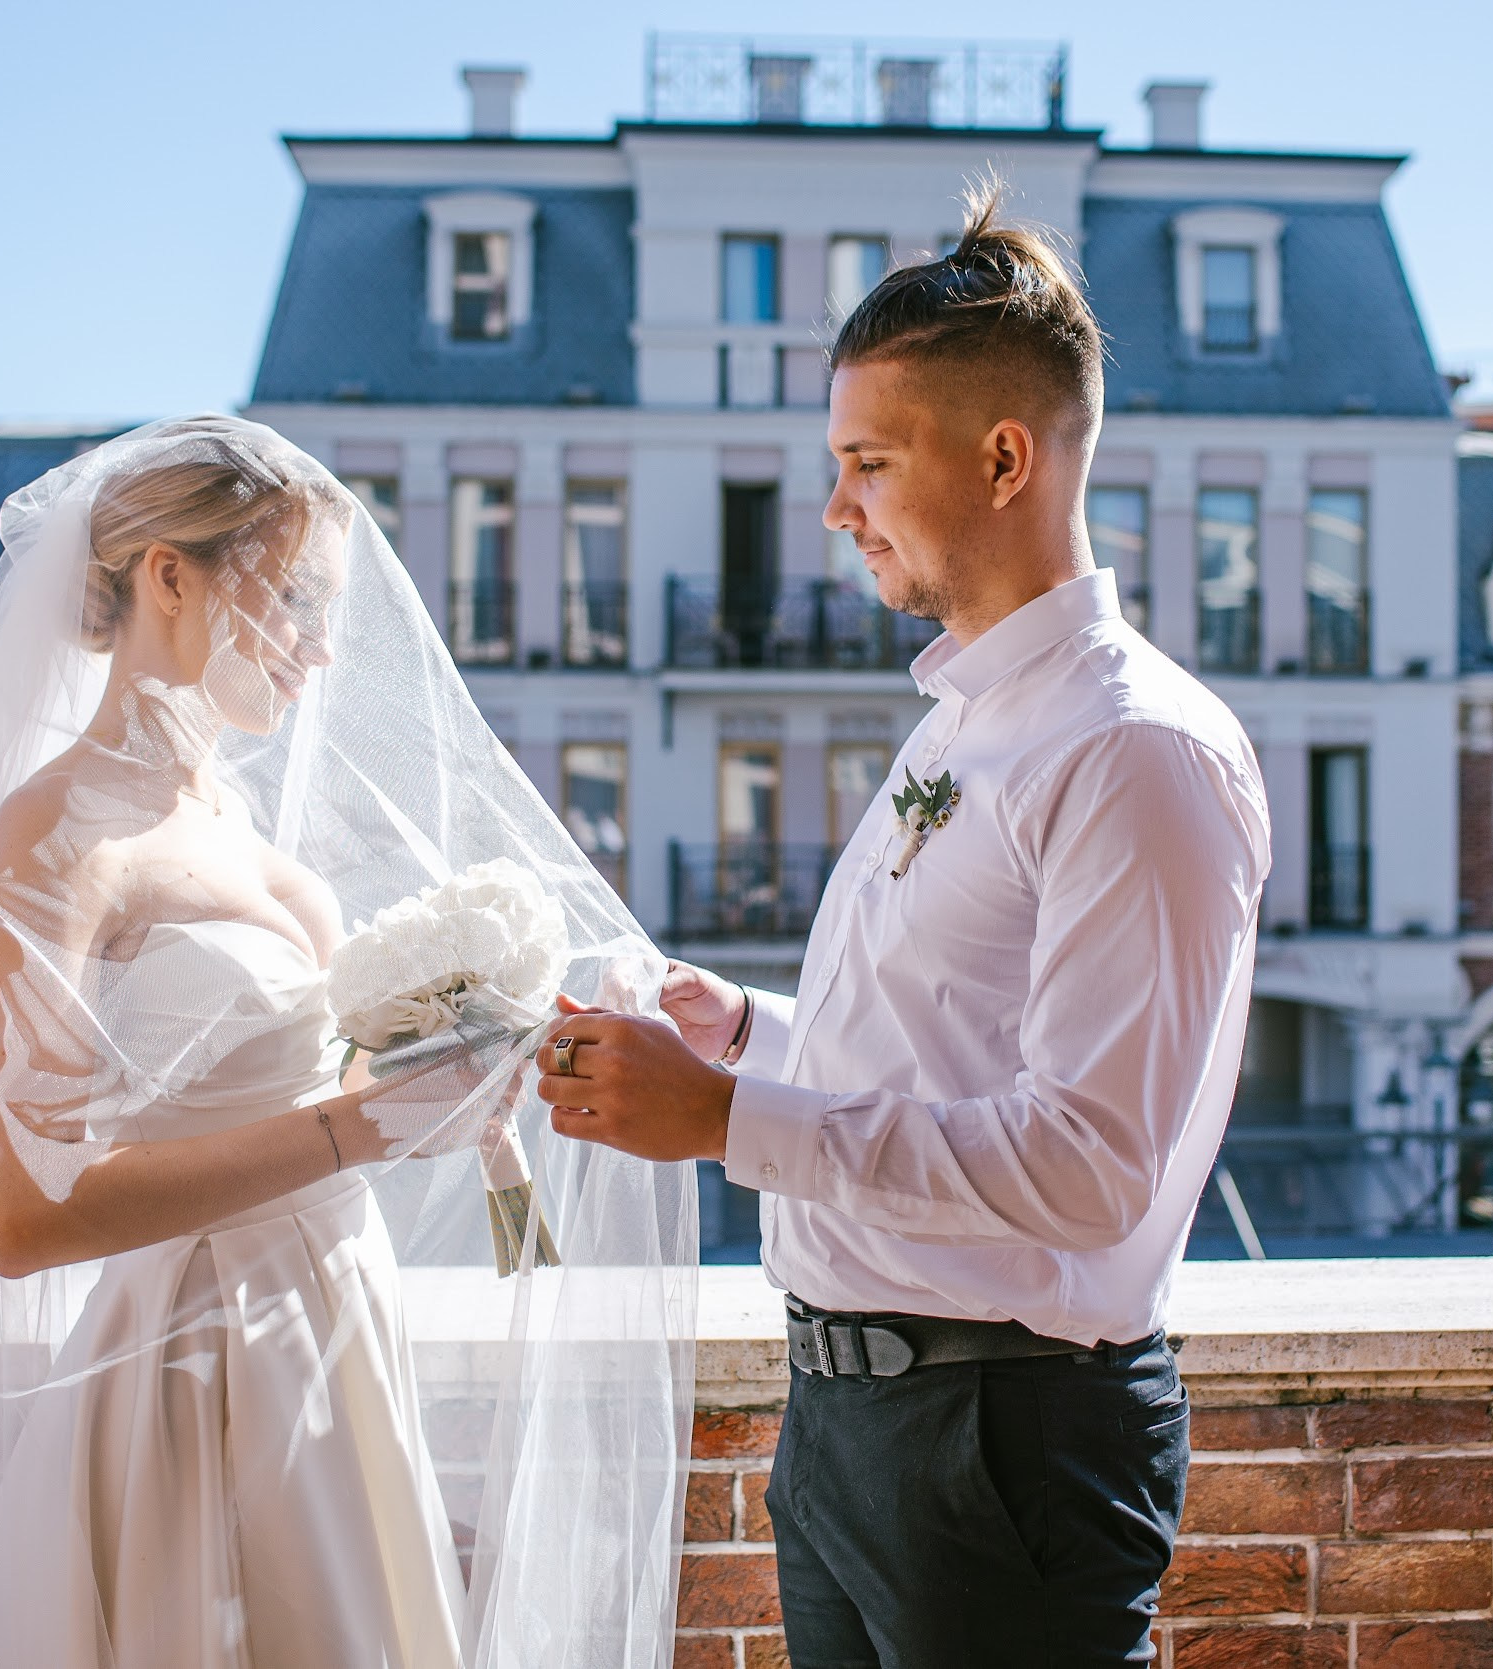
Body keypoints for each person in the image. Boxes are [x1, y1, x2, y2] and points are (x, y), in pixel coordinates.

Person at [537, 183, 1271, 1666]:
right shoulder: (960, 726)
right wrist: (747, 1038)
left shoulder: (1132, 752)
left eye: (868, 462)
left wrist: (727, 1120)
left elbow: (1087, 1167)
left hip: (997, 1438)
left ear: (1005, 457)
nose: (835, 509)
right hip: (860, 1420)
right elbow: (939, 1060)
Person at [0, 418, 692, 1669]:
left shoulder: (264, 857)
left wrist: (449, 1073)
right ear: (170, 575)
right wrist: (357, 1124)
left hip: (340, 1333)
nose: (322, 648)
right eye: (292, 600)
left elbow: (308, 1117)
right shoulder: (56, 838)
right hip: (190, 1373)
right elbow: (18, 1217)